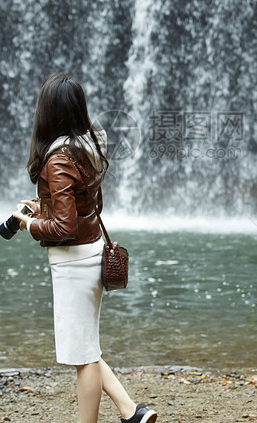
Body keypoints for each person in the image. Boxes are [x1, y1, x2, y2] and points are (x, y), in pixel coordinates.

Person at [11, 73, 156, 423]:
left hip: (73, 264)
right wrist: (41, 204)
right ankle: (132, 411)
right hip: (91, 253)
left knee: (83, 357)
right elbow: (83, 203)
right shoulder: (91, 144)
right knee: (86, 345)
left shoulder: (57, 159)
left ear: (48, 113)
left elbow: (64, 226)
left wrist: (27, 223)